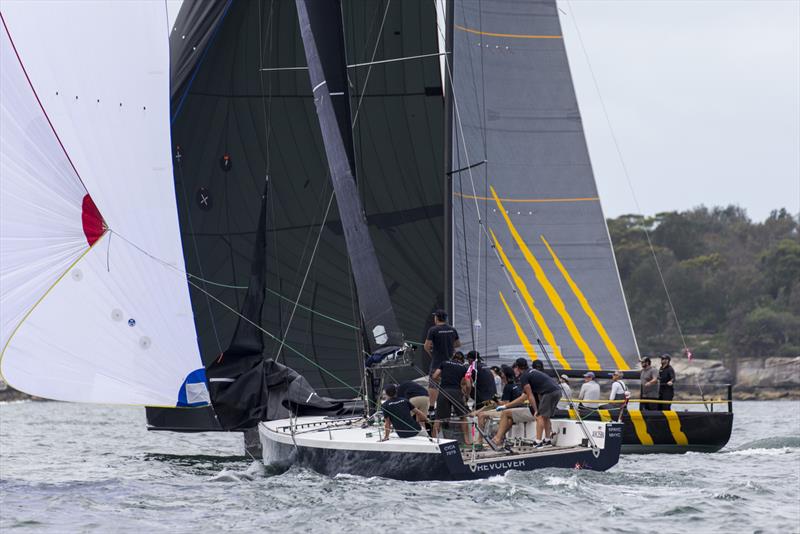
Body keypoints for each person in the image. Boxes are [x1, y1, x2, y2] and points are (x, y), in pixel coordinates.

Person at [493, 358, 562, 448]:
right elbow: (526, 396)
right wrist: (505, 406)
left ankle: (538, 442)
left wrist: (536, 410)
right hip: (557, 391)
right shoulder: (532, 372)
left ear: (517, 367)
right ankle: (547, 440)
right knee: (545, 417)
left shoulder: (524, 377)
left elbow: (529, 396)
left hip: (549, 393)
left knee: (539, 416)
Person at [431, 352, 471, 443]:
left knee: (439, 419)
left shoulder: (444, 363)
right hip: (456, 392)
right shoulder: (464, 368)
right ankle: (467, 441)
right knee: (463, 417)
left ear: (453, 357)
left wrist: (442, 381)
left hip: (444, 391)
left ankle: (433, 441)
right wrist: (467, 395)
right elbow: (468, 385)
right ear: (462, 360)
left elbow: (434, 376)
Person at [424, 309, 460, 406]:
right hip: (450, 363)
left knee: (433, 384)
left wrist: (432, 354)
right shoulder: (452, 329)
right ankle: (451, 406)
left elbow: (426, 346)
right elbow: (457, 344)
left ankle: (431, 408)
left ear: (436, 318)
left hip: (437, 362)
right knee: (449, 385)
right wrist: (449, 348)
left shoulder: (433, 330)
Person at [476, 365, 521, 434]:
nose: (501, 374)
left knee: (481, 415)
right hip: (514, 409)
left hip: (508, 410)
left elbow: (505, 403)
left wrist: (495, 401)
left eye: (502, 373)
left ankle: (480, 439)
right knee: (490, 404)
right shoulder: (515, 385)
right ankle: (478, 411)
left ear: (505, 375)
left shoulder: (508, 387)